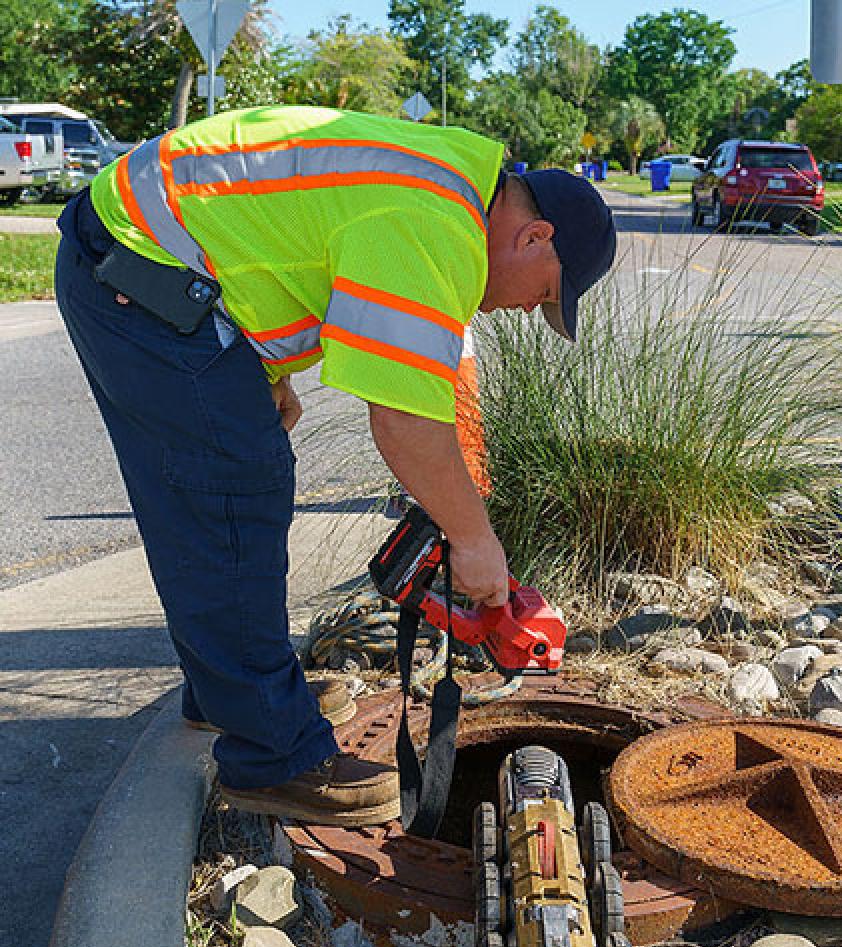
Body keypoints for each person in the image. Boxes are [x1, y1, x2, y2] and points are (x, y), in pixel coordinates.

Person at [54, 105, 616, 827]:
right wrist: (474, 539)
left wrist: (259, 365)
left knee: (219, 489)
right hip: (140, 272)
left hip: (155, 265)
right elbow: (408, 424)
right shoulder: (436, 224)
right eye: (541, 292)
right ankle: (274, 755)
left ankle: (238, 690)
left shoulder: (450, 178)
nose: (521, 309)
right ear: (535, 236)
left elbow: (284, 236)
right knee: (233, 487)